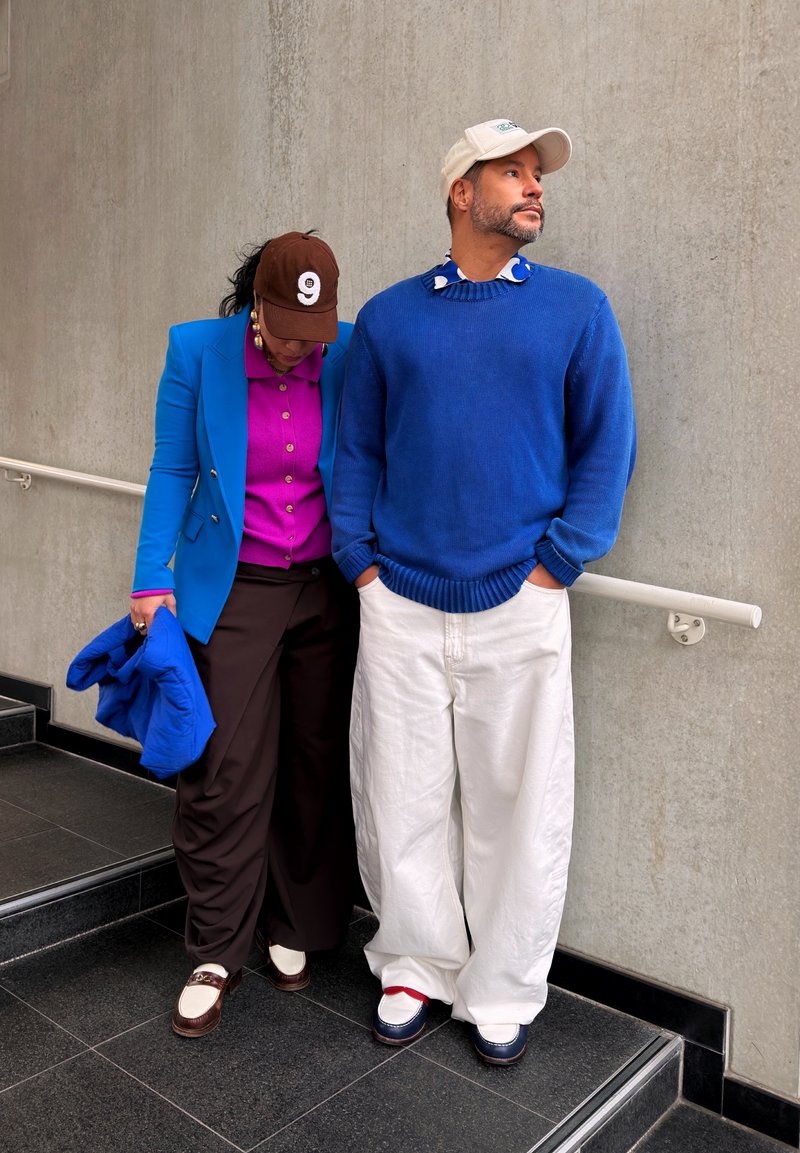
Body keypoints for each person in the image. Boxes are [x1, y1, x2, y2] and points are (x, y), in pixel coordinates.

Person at [331, 119, 636, 1066]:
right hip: (401, 600)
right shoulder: (388, 318)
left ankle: (503, 985)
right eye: (513, 171)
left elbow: (606, 446)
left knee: (521, 802)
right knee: (399, 789)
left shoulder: (578, 309)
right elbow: (357, 450)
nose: (534, 185)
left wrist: (563, 559)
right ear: (461, 191)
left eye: (537, 173)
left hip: (523, 598)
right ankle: (413, 962)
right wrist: (361, 563)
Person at [130, 230, 358, 1037]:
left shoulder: (349, 351)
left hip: (328, 584)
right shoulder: (198, 351)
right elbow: (171, 467)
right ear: (256, 307)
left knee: (311, 758)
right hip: (236, 588)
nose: (304, 351)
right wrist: (150, 577)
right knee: (224, 766)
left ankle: (295, 921)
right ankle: (215, 950)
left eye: (316, 335)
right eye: (290, 333)